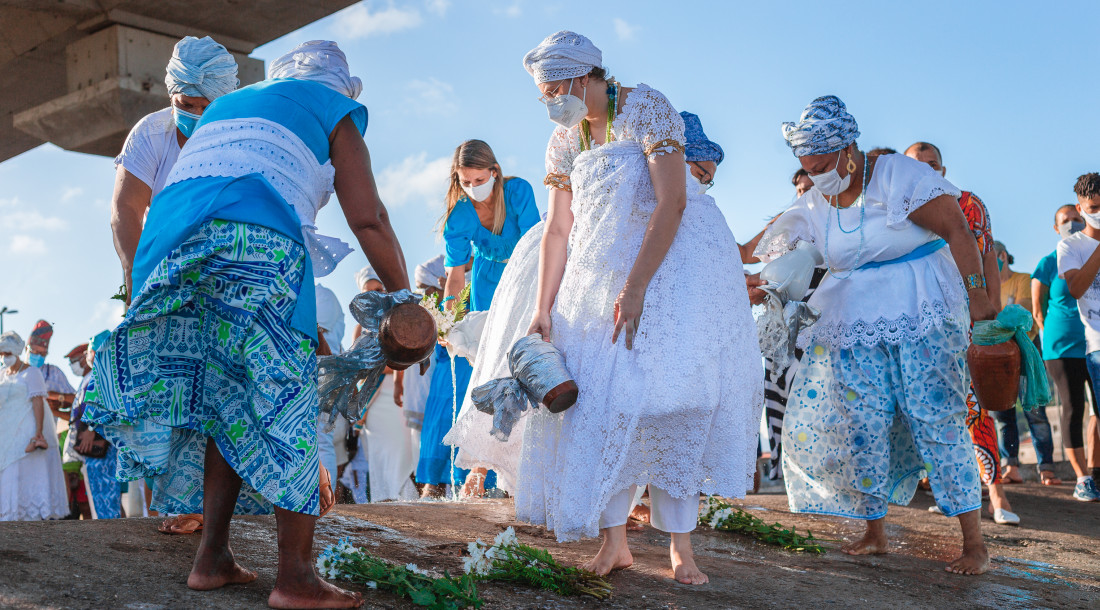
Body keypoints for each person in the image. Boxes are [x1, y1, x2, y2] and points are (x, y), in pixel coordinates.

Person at [83, 40, 409, 608]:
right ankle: (295, 579)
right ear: (341, 88)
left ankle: (211, 559)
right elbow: (369, 218)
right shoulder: (331, 107)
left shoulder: (237, 102)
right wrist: (404, 298)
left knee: (224, 396)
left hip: (172, 243)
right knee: (285, 395)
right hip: (254, 239)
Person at [463, 31, 762, 584]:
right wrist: (543, 307)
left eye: (554, 90)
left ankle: (681, 549)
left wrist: (638, 285)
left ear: (584, 77)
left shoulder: (647, 108)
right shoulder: (563, 139)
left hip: (667, 274)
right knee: (600, 407)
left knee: (674, 404)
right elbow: (558, 228)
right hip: (593, 282)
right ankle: (614, 543)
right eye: (543, 94)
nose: (549, 102)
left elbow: (672, 201)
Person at [757, 96, 996, 574]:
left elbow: (957, 229)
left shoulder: (896, 174)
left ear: (848, 149)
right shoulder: (815, 201)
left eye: (821, 166)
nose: (816, 176)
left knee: (936, 418)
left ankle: (975, 544)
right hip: (852, 322)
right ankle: (875, 531)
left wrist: (979, 299)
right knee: (862, 423)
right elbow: (763, 246)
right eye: (808, 169)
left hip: (921, 312)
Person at [905, 142, 1020, 524]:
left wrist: (991, 311)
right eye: (917, 164)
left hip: (966, 317)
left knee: (977, 408)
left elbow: (987, 256)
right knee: (933, 407)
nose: (925, 169)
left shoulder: (968, 203)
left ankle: (997, 494)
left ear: (942, 169)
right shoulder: (896, 207)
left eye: (932, 164)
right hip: (919, 323)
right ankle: (952, 492)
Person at [420, 140, 539, 498]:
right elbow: (455, 276)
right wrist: (448, 320)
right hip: (487, 288)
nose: (472, 188)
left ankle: (523, 468)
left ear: (494, 172)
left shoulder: (518, 192)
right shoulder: (459, 215)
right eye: (465, 181)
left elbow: (537, 244)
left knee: (525, 366)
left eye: (479, 180)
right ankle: (481, 469)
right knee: (488, 370)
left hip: (527, 278)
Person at [111, 36, 239, 299]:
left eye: (207, 107)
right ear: (172, 96)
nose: (197, 114)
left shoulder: (240, 140)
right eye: (186, 105)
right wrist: (135, 273)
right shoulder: (151, 134)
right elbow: (126, 208)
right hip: (164, 266)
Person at [1034, 205, 1100, 486]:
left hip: (1093, 341)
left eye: (1076, 219)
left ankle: (1096, 471)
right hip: (1062, 348)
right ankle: (1082, 478)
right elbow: (1038, 311)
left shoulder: (1092, 253)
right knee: (1073, 407)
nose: (1072, 224)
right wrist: (1053, 337)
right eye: (1066, 221)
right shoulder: (1049, 262)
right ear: (1056, 227)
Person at [991, 240, 1058, 485]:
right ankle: (1011, 466)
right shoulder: (987, 288)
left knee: (1035, 411)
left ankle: (1047, 468)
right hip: (998, 358)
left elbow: (1021, 313)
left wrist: (996, 321)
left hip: (1026, 354)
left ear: (1002, 256)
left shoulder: (1023, 280)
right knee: (1003, 415)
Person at [1055, 171, 1100, 501]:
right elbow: (1076, 288)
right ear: (1081, 207)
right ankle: (1087, 478)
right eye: (1093, 207)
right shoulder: (1070, 246)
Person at [0, 332, 70, 521]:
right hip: (6, 435)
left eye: (7, 353)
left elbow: (38, 402)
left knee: (23, 472)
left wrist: (38, 433)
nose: (4, 357)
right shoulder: (2, 375)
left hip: (27, 433)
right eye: (1, 354)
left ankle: (29, 516)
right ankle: (9, 516)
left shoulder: (31, 373)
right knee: (8, 474)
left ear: (17, 351)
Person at [72, 331, 123, 519]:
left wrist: (91, 430)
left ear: (96, 351)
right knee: (101, 495)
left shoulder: (104, 375)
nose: (87, 356)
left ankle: (110, 533)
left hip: (102, 444)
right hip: (100, 445)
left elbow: (106, 407)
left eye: (88, 351)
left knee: (105, 494)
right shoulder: (102, 374)